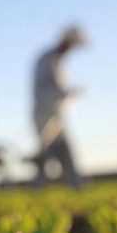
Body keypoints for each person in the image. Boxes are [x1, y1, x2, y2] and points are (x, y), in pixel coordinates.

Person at [31, 26, 86, 188]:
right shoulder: (47, 60)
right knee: (46, 152)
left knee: (65, 152)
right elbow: (46, 90)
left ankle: (76, 185)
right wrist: (68, 93)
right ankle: (38, 188)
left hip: (56, 116)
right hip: (44, 115)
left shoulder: (57, 61)